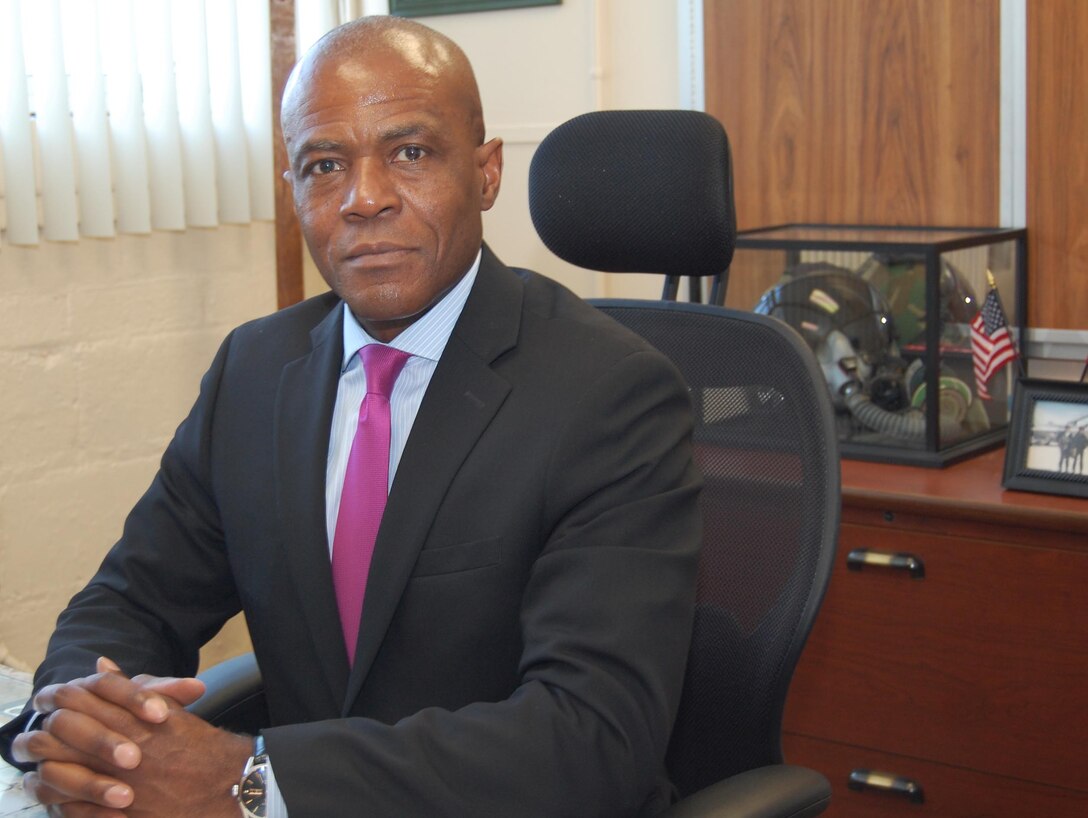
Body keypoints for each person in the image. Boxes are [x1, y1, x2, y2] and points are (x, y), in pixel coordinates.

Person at [0, 15, 701, 817]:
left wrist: (252, 780)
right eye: (325, 164)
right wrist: (81, 720)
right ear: (294, 190)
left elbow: (590, 741)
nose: (365, 199)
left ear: (487, 173)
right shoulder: (255, 371)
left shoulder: (611, 395)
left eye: (409, 153)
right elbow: (132, 599)